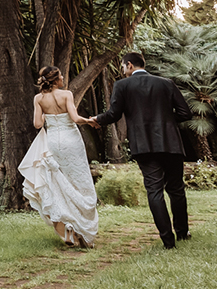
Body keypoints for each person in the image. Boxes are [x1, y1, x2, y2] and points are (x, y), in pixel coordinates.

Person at [82, 52, 193, 249]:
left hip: (144, 146)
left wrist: (97, 120)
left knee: (154, 191)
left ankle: (168, 241)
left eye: (123, 66)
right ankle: (183, 233)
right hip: (171, 144)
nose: (122, 70)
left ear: (130, 65)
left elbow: (114, 114)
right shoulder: (166, 83)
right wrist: (165, 122)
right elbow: (185, 113)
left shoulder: (122, 86)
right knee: (176, 190)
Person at [19, 66, 99, 248]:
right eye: (61, 76)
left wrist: (50, 118)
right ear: (55, 80)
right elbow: (75, 117)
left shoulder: (38, 98)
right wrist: (88, 121)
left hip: (53, 142)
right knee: (78, 181)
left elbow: (38, 124)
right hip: (71, 141)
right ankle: (83, 230)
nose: (63, 78)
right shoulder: (66, 94)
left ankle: (68, 225)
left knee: (59, 183)